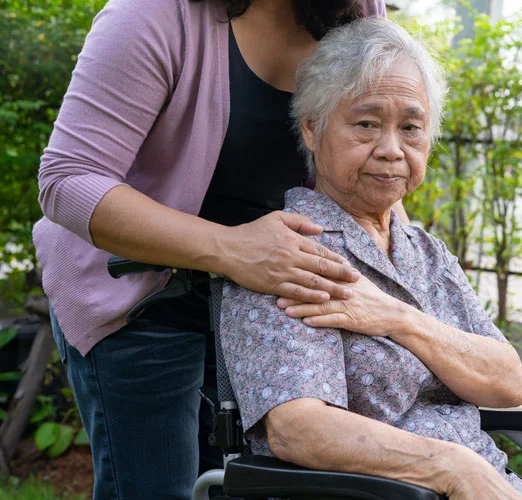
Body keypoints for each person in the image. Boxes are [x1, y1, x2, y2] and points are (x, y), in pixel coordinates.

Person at [34, 1, 390, 498]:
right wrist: (230, 248)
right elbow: (68, 180)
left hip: (268, 311)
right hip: (139, 299)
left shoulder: (356, 10)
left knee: (250, 486)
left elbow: (378, 140)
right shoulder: (151, 14)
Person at [219, 18, 522, 500]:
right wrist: (451, 468)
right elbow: (298, 428)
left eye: (411, 128)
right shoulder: (287, 252)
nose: (391, 150)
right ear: (312, 129)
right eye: (366, 124)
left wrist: (397, 319)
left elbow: (507, 382)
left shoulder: (426, 253)